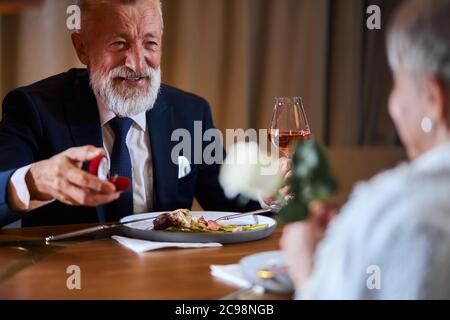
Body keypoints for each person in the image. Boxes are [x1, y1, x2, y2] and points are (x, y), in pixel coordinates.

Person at [0, 0, 286, 228]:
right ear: (82, 48)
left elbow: (233, 203)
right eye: (119, 44)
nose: (137, 64)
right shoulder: (33, 108)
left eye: (150, 43)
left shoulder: (191, 113)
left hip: (166, 280)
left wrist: (270, 195)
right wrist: (34, 181)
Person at [281, 0, 450, 299]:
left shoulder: (392, 210)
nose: (392, 104)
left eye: (397, 84)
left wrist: (307, 270)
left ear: (433, 99)